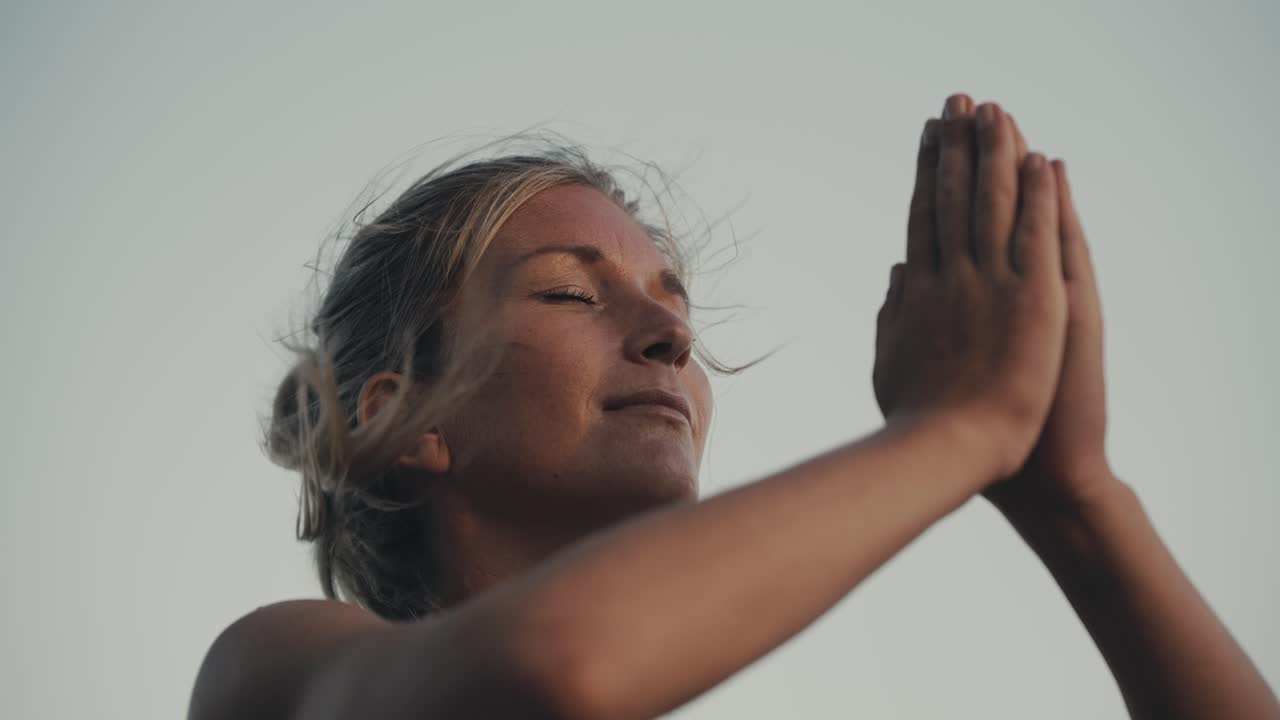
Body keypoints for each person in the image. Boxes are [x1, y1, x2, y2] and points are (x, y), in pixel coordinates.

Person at [187, 93, 1280, 720]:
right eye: (570, 292)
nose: (672, 337)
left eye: (674, 306)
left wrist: (1075, 497)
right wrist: (958, 428)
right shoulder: (275, 666)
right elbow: (553, 669)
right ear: (403, 415)